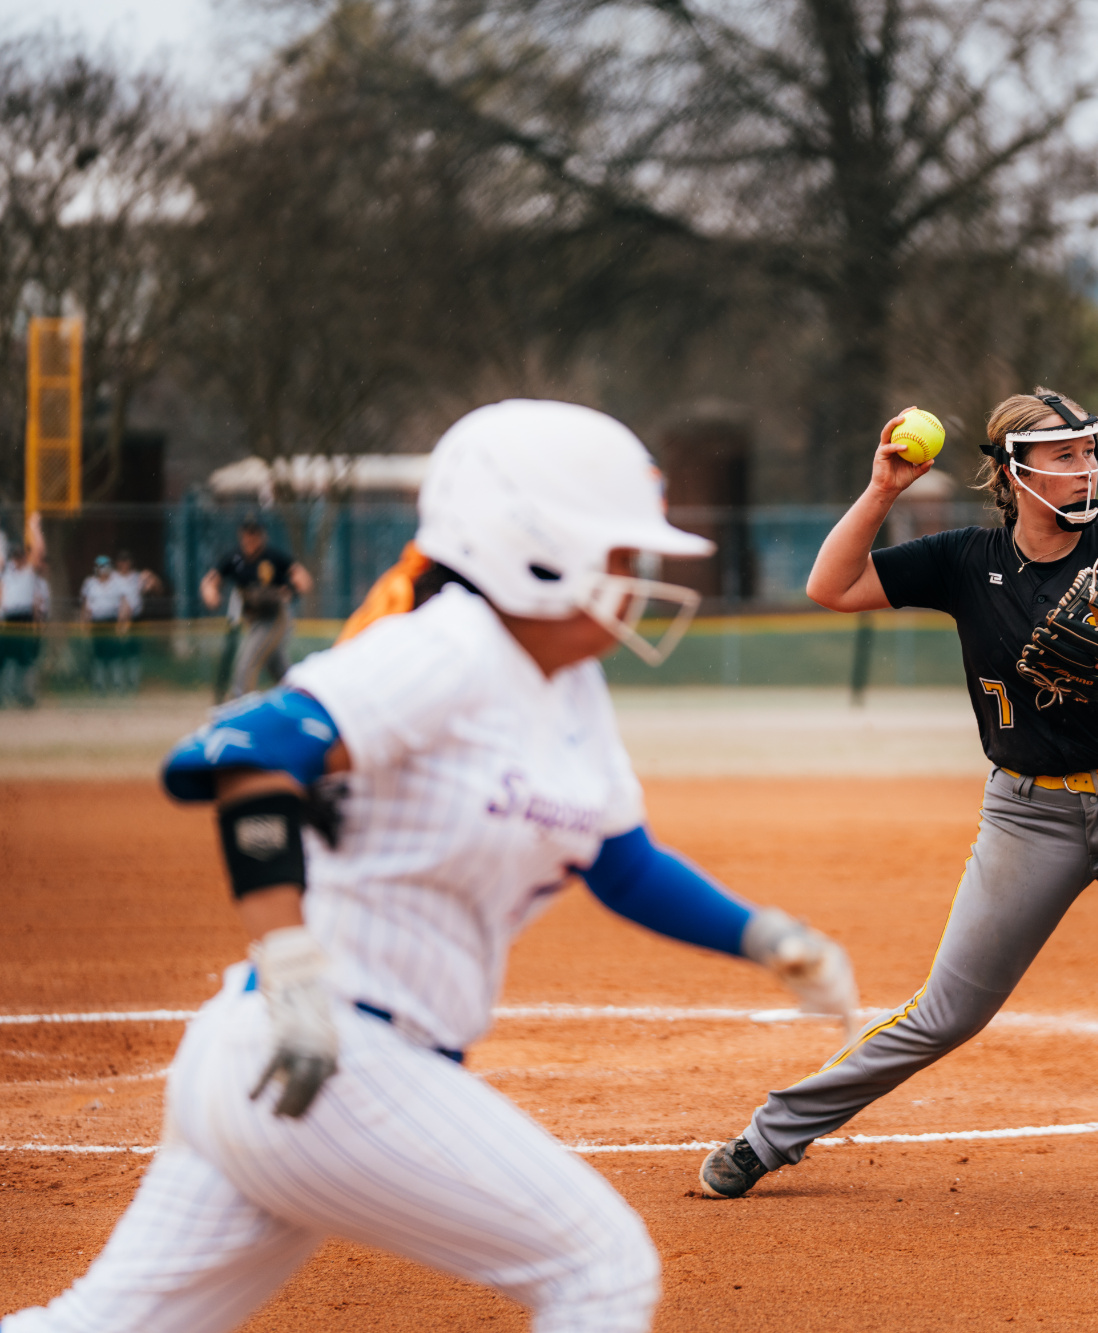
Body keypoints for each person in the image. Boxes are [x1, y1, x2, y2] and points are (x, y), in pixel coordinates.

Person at [3, 400, 863, 1333]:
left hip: (282, 1067)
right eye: (616, 555)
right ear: (533, 549)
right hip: (329, 1051)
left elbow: (621, 862)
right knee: (601, 1267)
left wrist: (766, 936)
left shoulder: (567, 686)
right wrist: (289, 962)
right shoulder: (449, 646)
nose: (635, 578)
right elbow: (242, 753)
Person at [696, 389, 1098, 1225]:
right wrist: (884, 489)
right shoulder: (968, 559)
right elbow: (833, 585)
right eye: (1066, 454)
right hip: (1027, 816)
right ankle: (772, 1132)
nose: (1086, 467)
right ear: (1016, 472)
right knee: (946, 1013)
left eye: (1089, 452)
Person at [203, 520, 312, 701]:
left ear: (262, 535)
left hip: (276, 618)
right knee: (277, 667)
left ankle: (241, 708)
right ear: (241, 535)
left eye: (255, 533)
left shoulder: (272, 556)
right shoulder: (234, 558)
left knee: (247, 663)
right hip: (255, 620)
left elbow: (304, 579)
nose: (250, 538)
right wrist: (211, 593)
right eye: (247, 533)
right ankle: (303, 699)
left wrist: (290, 591)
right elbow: (210, 581)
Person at [0, 514, 49, 708]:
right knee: (2, 661)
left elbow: (39, 551)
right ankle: (3, 697)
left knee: (26, 661)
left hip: (25, 618)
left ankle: (26, 697)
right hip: (8, 619)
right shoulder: (6, 572)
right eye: (15, 555)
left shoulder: (30, 571)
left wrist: (34, 527)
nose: (18, 558)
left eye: (20, 554)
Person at [80, 555, 135, 694]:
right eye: (99, 567)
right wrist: (84, 623)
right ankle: (100, 686)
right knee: (99, 656)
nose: (102, 570)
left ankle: (117, 685)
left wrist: (122, 624)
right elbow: (86, 606)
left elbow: (125, 604)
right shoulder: (90, 583)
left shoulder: (117, 582)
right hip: (97, 622)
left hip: (111, 621)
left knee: (114, 655)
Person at [109, 551, 163, 692]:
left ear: (130, 562)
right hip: (116, 619)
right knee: (117, 653)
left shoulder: (136, 577)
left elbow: (156, 588)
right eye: (121, 560)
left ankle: (133, 684)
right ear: (117, 563)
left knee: (133, 653)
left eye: (126, 560)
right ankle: (117, 684)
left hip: (135, 619)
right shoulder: (113, 577)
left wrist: (151, 576)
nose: (124, 563)